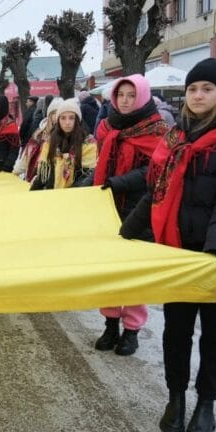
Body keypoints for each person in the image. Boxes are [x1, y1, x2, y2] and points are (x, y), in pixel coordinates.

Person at [120, 58, 216, 432]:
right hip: (179, 252)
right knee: (177, 330)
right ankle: (176, 398)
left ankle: (206, 403)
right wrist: (126, 232)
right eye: (193, 89)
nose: (198, 96)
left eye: (207, 89)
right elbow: (157, 191)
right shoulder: (175, 137)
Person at [92, 74, 171, 356]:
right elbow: (101, 165)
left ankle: (132, 329)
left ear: (142, 97)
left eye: (131, 95)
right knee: (109, 270)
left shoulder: (158, 130)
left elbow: (154, 171)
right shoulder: (108, 126)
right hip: (108, 208)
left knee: (134, 271)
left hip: (141, 210)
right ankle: (110, 324)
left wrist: (118, 182)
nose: (125, 101)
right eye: (121, 95)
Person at [30, 99, 96, 190]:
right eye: (63, 118)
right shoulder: (50, 142)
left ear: (77, 119)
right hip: (52, 194)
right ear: (58, 120)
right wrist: (32, 193)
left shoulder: (88, 143)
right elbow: (43, 175)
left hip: (78, 193)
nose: (67, 122)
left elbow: (88, 176)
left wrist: (68, 194)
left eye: (71, 118)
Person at [14, 97, 64, 183]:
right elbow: (26, 156)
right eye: (54, 113)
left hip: (57, 180)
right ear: (49, 115)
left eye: (60, 113)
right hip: (34, 177)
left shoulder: (67, 135)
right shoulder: (39, 134)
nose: (56, 116)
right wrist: (15, 172)